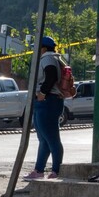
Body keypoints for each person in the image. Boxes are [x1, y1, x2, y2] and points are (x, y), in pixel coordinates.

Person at [24, 36, 64, 180]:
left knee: (51, 138)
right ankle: (39, 170)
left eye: (37, 47)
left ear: (44, 48)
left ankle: (56, 170)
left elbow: (51, 75)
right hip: (49, 101)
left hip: (47, 101)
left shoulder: (47, 58)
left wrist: (42, 93)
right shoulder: (54, 57)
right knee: (44, 139)